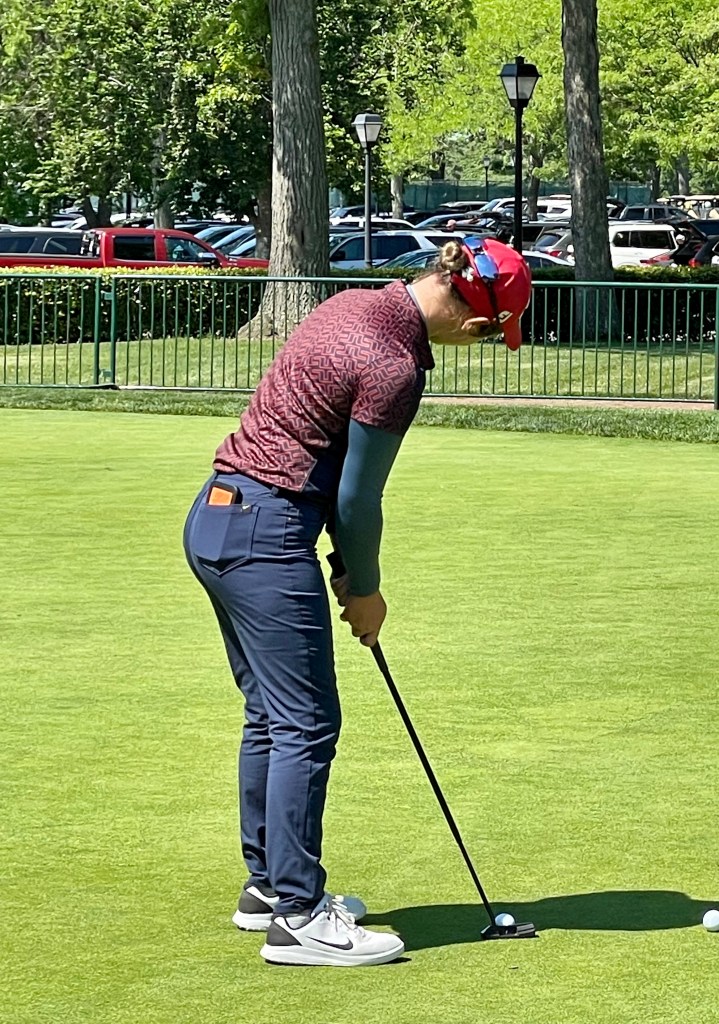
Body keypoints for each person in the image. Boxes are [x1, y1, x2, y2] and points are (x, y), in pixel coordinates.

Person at [183, 237, 532, 967]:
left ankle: (268, 889)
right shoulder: (395, 365)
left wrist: (344, 566)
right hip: (267, 531)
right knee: (306, 722)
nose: (477, 343)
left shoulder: (351, 304)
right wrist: (366, 589)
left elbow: (331, 467)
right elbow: (357, 498)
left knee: (272, 714)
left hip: (216, 517)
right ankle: (300, 917)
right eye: (486, 335)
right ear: (476, 320)